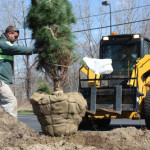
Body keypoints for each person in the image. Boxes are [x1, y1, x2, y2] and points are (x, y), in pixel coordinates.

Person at [0, 25, 43, 118]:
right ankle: (11, 128)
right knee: (11, 102)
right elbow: (17, 49)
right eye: (15, 37)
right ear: (9, 33)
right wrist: (37, 50)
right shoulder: (3, 44)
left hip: (2, 81)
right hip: (0, 81)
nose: (16, 39)